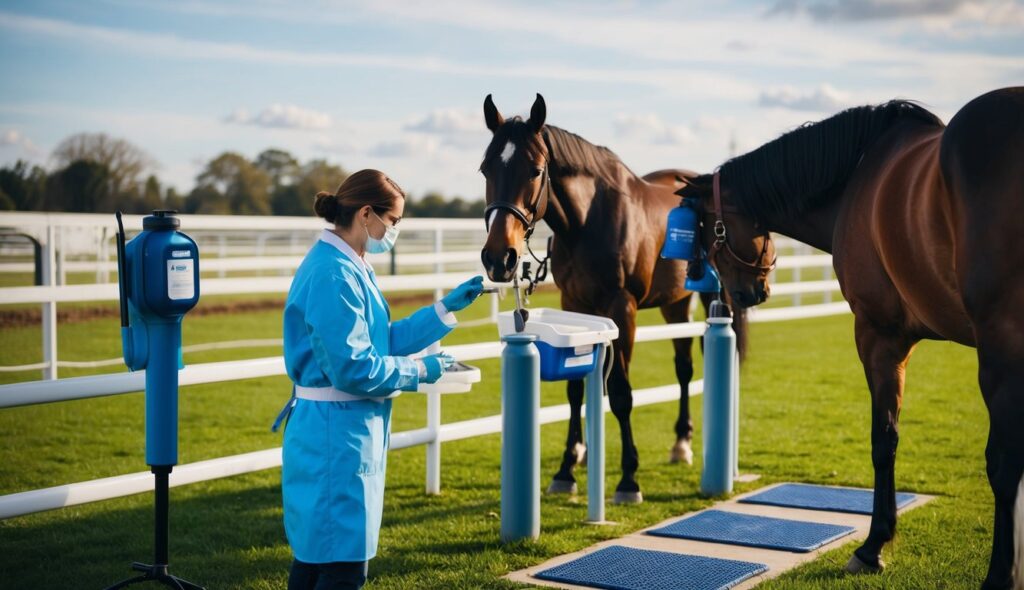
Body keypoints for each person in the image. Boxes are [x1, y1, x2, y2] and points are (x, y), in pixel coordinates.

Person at [275, 169, 484, 590]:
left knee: (319, 560)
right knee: (340, 569)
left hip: (341, 432)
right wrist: (422, 371)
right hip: (336, 436)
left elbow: (379, 340)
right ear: (366, 213)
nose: (395, 231)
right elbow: (355, 367)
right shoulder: (334, 272)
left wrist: (443, 311)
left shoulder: (350, 264)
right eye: (394, 221)